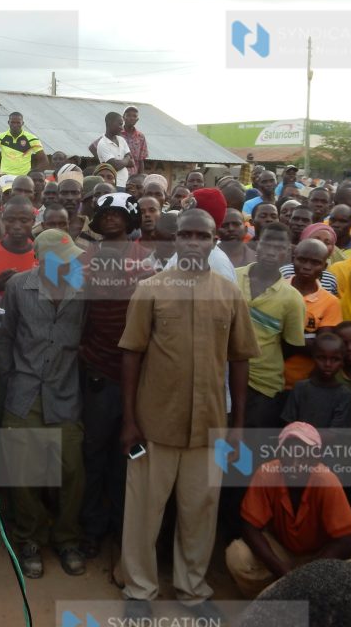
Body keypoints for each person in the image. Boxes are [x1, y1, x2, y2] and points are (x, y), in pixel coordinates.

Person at [118, 208, 259, 621]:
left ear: (215, 241)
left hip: (210, 428)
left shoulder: (229, 293)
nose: (195, 242)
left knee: (200, 512)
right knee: (144, 513)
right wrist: (129, 420)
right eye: (187, 235)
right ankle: (139, 589)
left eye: (203, 235)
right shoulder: (150, 289)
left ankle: (192, 589)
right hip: (154, 424)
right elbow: (131, 355)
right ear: (174, 241)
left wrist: (238, 427)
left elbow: (240, 360)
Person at [0, 230, 87, 578]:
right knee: (22, 472)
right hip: (24, 392)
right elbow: (6, 336)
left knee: (71, 471)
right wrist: (11, 378)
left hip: (65, 394)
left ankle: (66, 538)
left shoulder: (83, 291)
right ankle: (29, 539)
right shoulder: (20, 287)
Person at [78, 193, 149, 557]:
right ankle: (92, 529)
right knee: (94, 455)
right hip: (97, 370)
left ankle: (124, 535)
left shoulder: (145, 259)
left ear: (131, 218)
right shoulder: (86, 258)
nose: (110, 219)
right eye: (104, 214)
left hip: (138, 373)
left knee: (130, 461)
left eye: (118, 214)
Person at [225, 422, 351, 599]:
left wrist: (306, 574)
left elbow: (347, 542)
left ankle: (294, 594)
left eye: (303, 456)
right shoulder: (267, 473)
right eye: (288, 454)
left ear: (315, 458)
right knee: (238, 556)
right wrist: (283, 571)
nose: (295, 463)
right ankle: (269, 600)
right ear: (280, 454)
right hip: (284, 553)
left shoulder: (327, 481)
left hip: (323, 555)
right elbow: (249, 528)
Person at [236, 223, 306, 428]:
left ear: (288, 252)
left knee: (248, 450)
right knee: (222, 443)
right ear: (257, 245)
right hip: (225, 377)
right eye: (266, 244)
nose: (270, 252)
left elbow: (291, 345)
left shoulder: (292, 299)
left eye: (278, 247)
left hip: (263, 385)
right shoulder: (231, 277)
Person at [282, 240, 343, 391]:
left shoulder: (331, 302)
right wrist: (307, 338)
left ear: (324, 266)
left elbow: (321, 348)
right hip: (269, 380)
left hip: (307, 384)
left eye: (315, 262)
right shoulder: (275, 289)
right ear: (293, 259)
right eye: (302, 260)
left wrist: (284, 337)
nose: (307, 267)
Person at [282, 333, 351, 429]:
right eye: (322, 358)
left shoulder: (345, 395)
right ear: (313, 358)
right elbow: (289, 424)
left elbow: (337, 434)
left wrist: (305, 436)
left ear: (342, 362)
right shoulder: (300, 387)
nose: (328, 364)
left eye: (335, 359)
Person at [0, 112, 48, 176]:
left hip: (23, 178)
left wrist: (32, 174)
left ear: (22, 123)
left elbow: (44, 160)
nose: (15, 125)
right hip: (4, 176)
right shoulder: (0, 137)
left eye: (18, 123)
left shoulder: (32, 139)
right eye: (12, 122)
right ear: (8, 122)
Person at [95, 112, 134, 190]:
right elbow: (115, 166)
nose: (122, 128)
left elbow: (132, 162)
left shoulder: (121, 140)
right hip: (112, 185)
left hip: (125, 184)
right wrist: (127, 158)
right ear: (109, 123)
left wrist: (121, 162)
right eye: (120, 124)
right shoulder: (103, 144)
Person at [120, 107, 147, 177]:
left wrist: (140, 178)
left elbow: (141, 160)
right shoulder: (116, 133)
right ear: (123, 117)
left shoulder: (141, 137)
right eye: (128, 115)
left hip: (133, 178)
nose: (131, 118)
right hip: (117, 175)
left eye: (134, 116)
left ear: (137, 119)